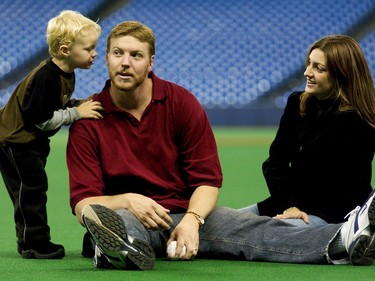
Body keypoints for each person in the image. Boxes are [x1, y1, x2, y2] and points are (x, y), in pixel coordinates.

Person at [66, 21, 375, 270]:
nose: (125, 63)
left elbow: (207, 180)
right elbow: (84, 205)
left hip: (185, 212)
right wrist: (129, 201)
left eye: (136, 55)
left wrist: (192, 220)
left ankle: (343, 239)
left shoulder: (182, 103)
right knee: (121, 224)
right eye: (118, 53)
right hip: (129, 215)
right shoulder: (89, 117)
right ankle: (118, 248)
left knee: (253, 228)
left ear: (150, 63)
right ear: (105, 58)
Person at [239, 35, 375, 227]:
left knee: (264, 234)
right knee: (220, 223)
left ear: (342, 74)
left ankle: (348, 239)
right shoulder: (297, 103)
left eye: (319, 68)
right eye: (309, 64)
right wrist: (289, 206)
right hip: (288, 206)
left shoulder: (357, 120)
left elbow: (348, 186)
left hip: (331, 215)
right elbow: (276, 162)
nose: (306, 73)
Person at [0, 10, 103, 259]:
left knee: (33, 188)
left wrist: (78, 103)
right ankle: (33, 244)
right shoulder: (47, 77)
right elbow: (43, 119)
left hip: (27, 142)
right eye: (88, 48)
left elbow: (56, 104)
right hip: (15, 141)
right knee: (30, 189)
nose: (95, 53)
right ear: (65, 50)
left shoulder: (64, 72)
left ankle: (33, 240)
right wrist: (77, 113)